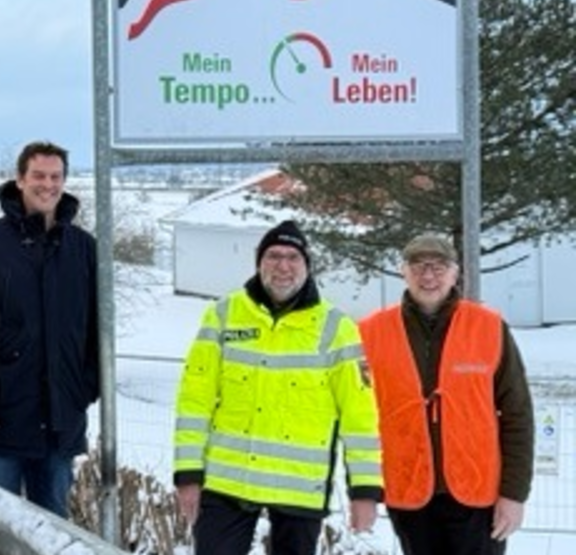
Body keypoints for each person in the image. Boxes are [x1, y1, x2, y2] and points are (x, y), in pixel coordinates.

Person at [172, 220, 383, 555]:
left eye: (292, 257)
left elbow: (360, 418)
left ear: (307, 266)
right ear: (259, 262)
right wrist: (188, 474)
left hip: (299, 489)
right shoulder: (224, 315)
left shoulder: (336, 328)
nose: (283, 266)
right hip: (228, 483)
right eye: (273, 256)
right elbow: (194, 400)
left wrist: (365, 491)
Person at [0, 140, 99, 518]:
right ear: (19, 179)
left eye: (55, 177)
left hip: (60, 424)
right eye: (38, 176)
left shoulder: (83, 248)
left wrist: (85, 388)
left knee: (52, 534)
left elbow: (100, 328)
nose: (47, 185)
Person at [359, 233, 534, 555]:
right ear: (404, 272)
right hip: (410, 490)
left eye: (439, 267)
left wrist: (514, 494)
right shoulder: (370, 333)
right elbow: (356, 420)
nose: (428, 276)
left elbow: (517, 414)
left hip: (479, 493)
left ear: (455, 273)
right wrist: (363, 491)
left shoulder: (489, 327)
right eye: (418, 266)